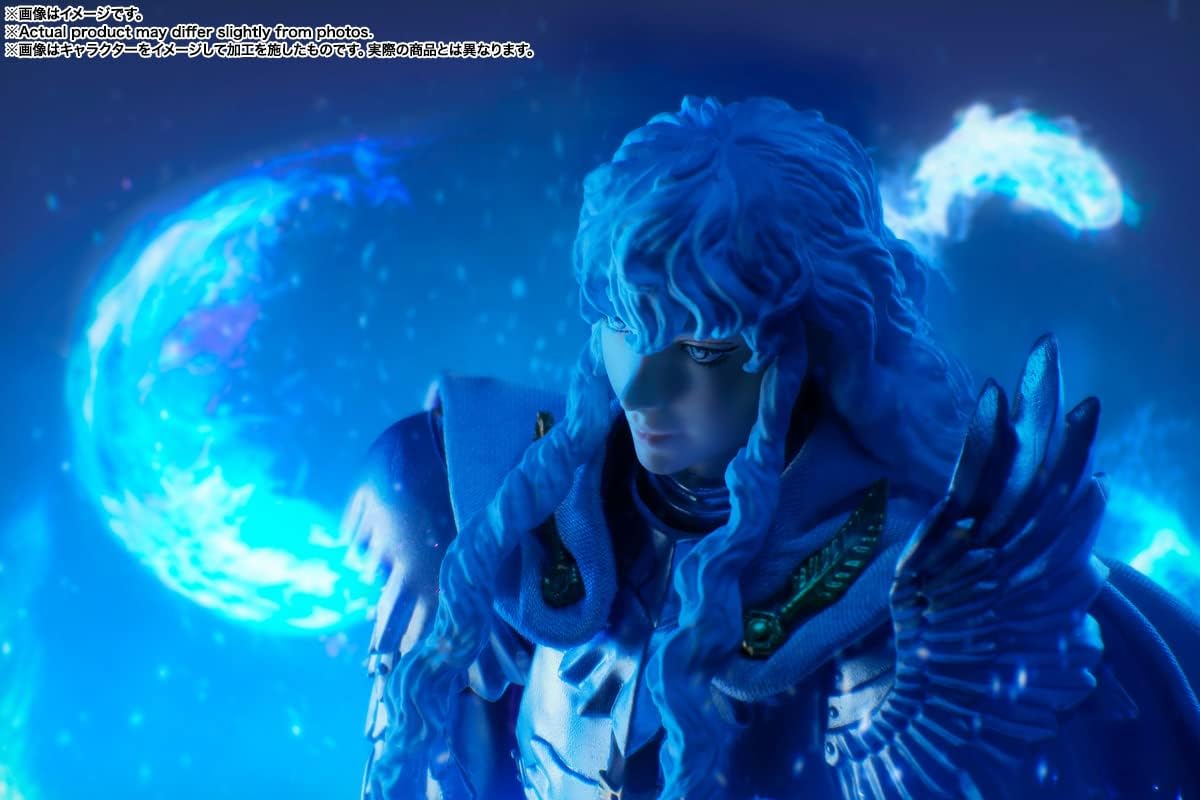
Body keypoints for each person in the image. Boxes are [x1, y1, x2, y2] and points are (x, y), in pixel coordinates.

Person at [346, 96, 1200, 799]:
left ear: (809, 349)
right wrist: (416, 500)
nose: (641, 392)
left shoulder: (897, 596)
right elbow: (445, 456)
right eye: (624, 330)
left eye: (701, 351)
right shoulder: (518, 492)